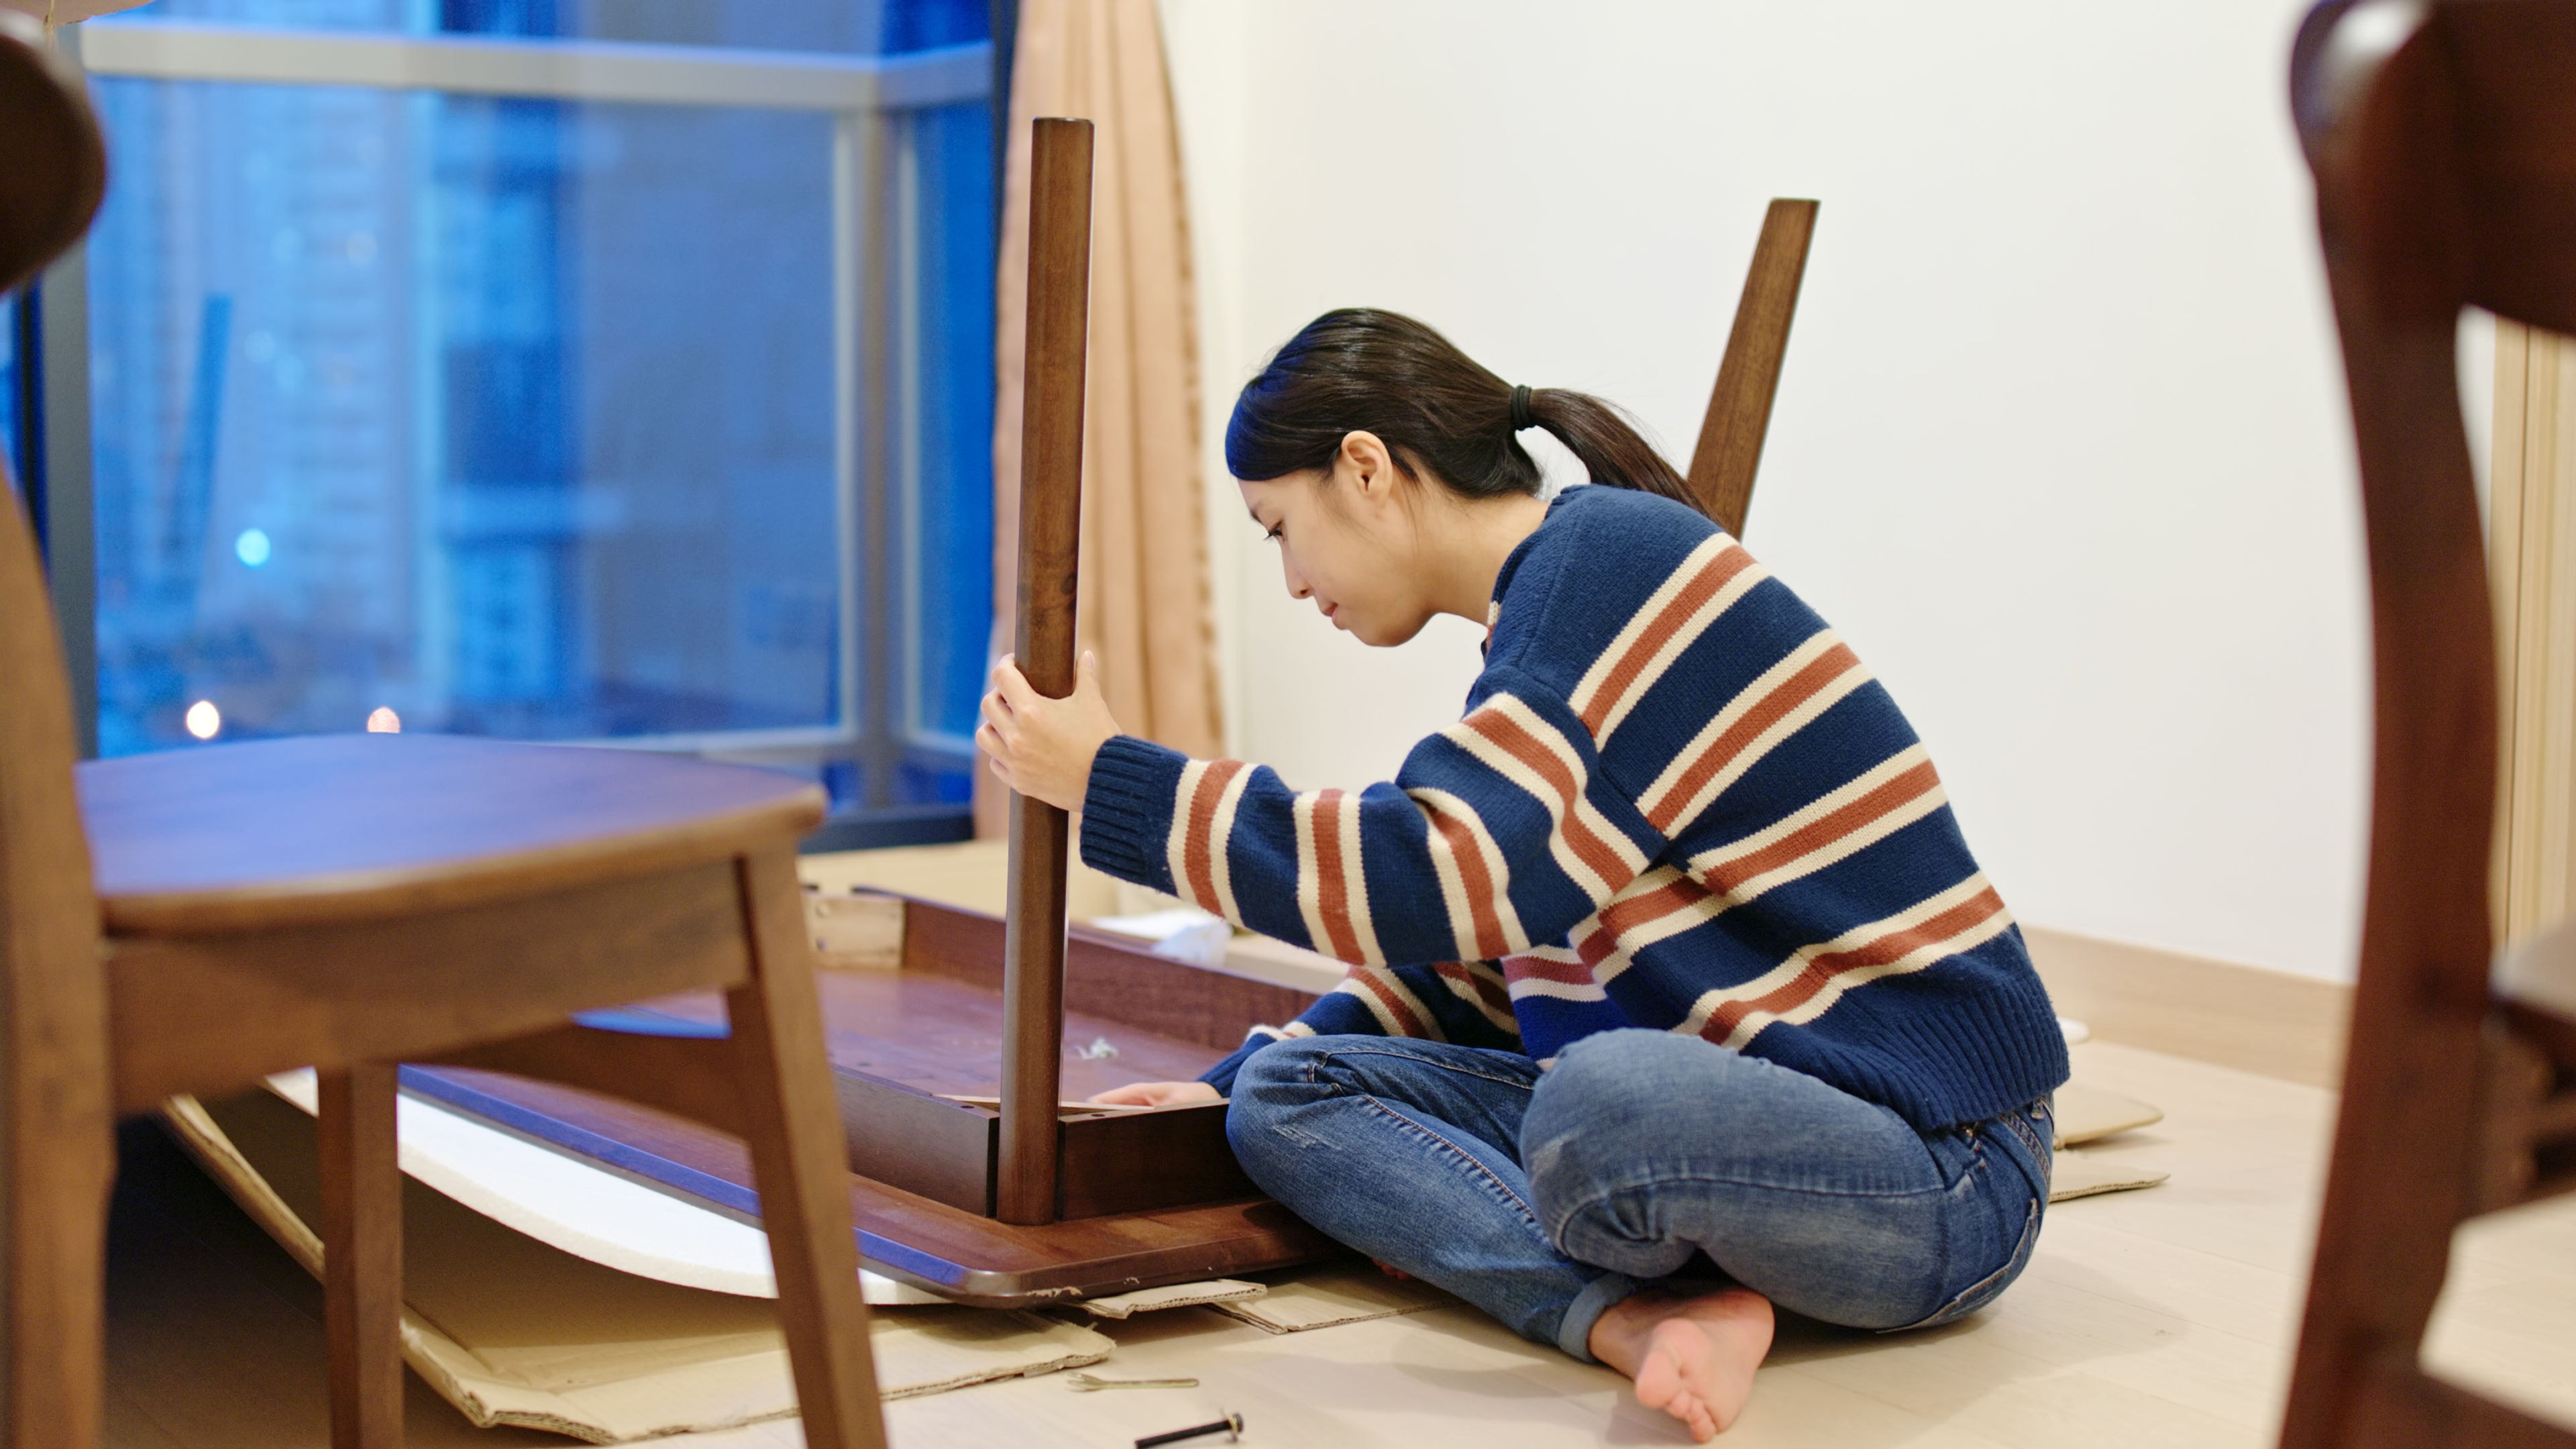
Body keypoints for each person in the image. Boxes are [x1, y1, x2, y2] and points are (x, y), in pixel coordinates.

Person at [976, 309, 2065, 1442]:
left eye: (1280, 530)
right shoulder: (1545, 621)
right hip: (1761, 1121)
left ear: (1365, 468)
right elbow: (1489, 954)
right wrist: (1231, 1080)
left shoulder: (1614, 569)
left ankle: (1666, 1283)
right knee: (1283, 1098)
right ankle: (1634, 1317)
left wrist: (1115, 782)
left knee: (1603, 1105)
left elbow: (1437, 874)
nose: (1295, 581)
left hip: (1941, 1162)